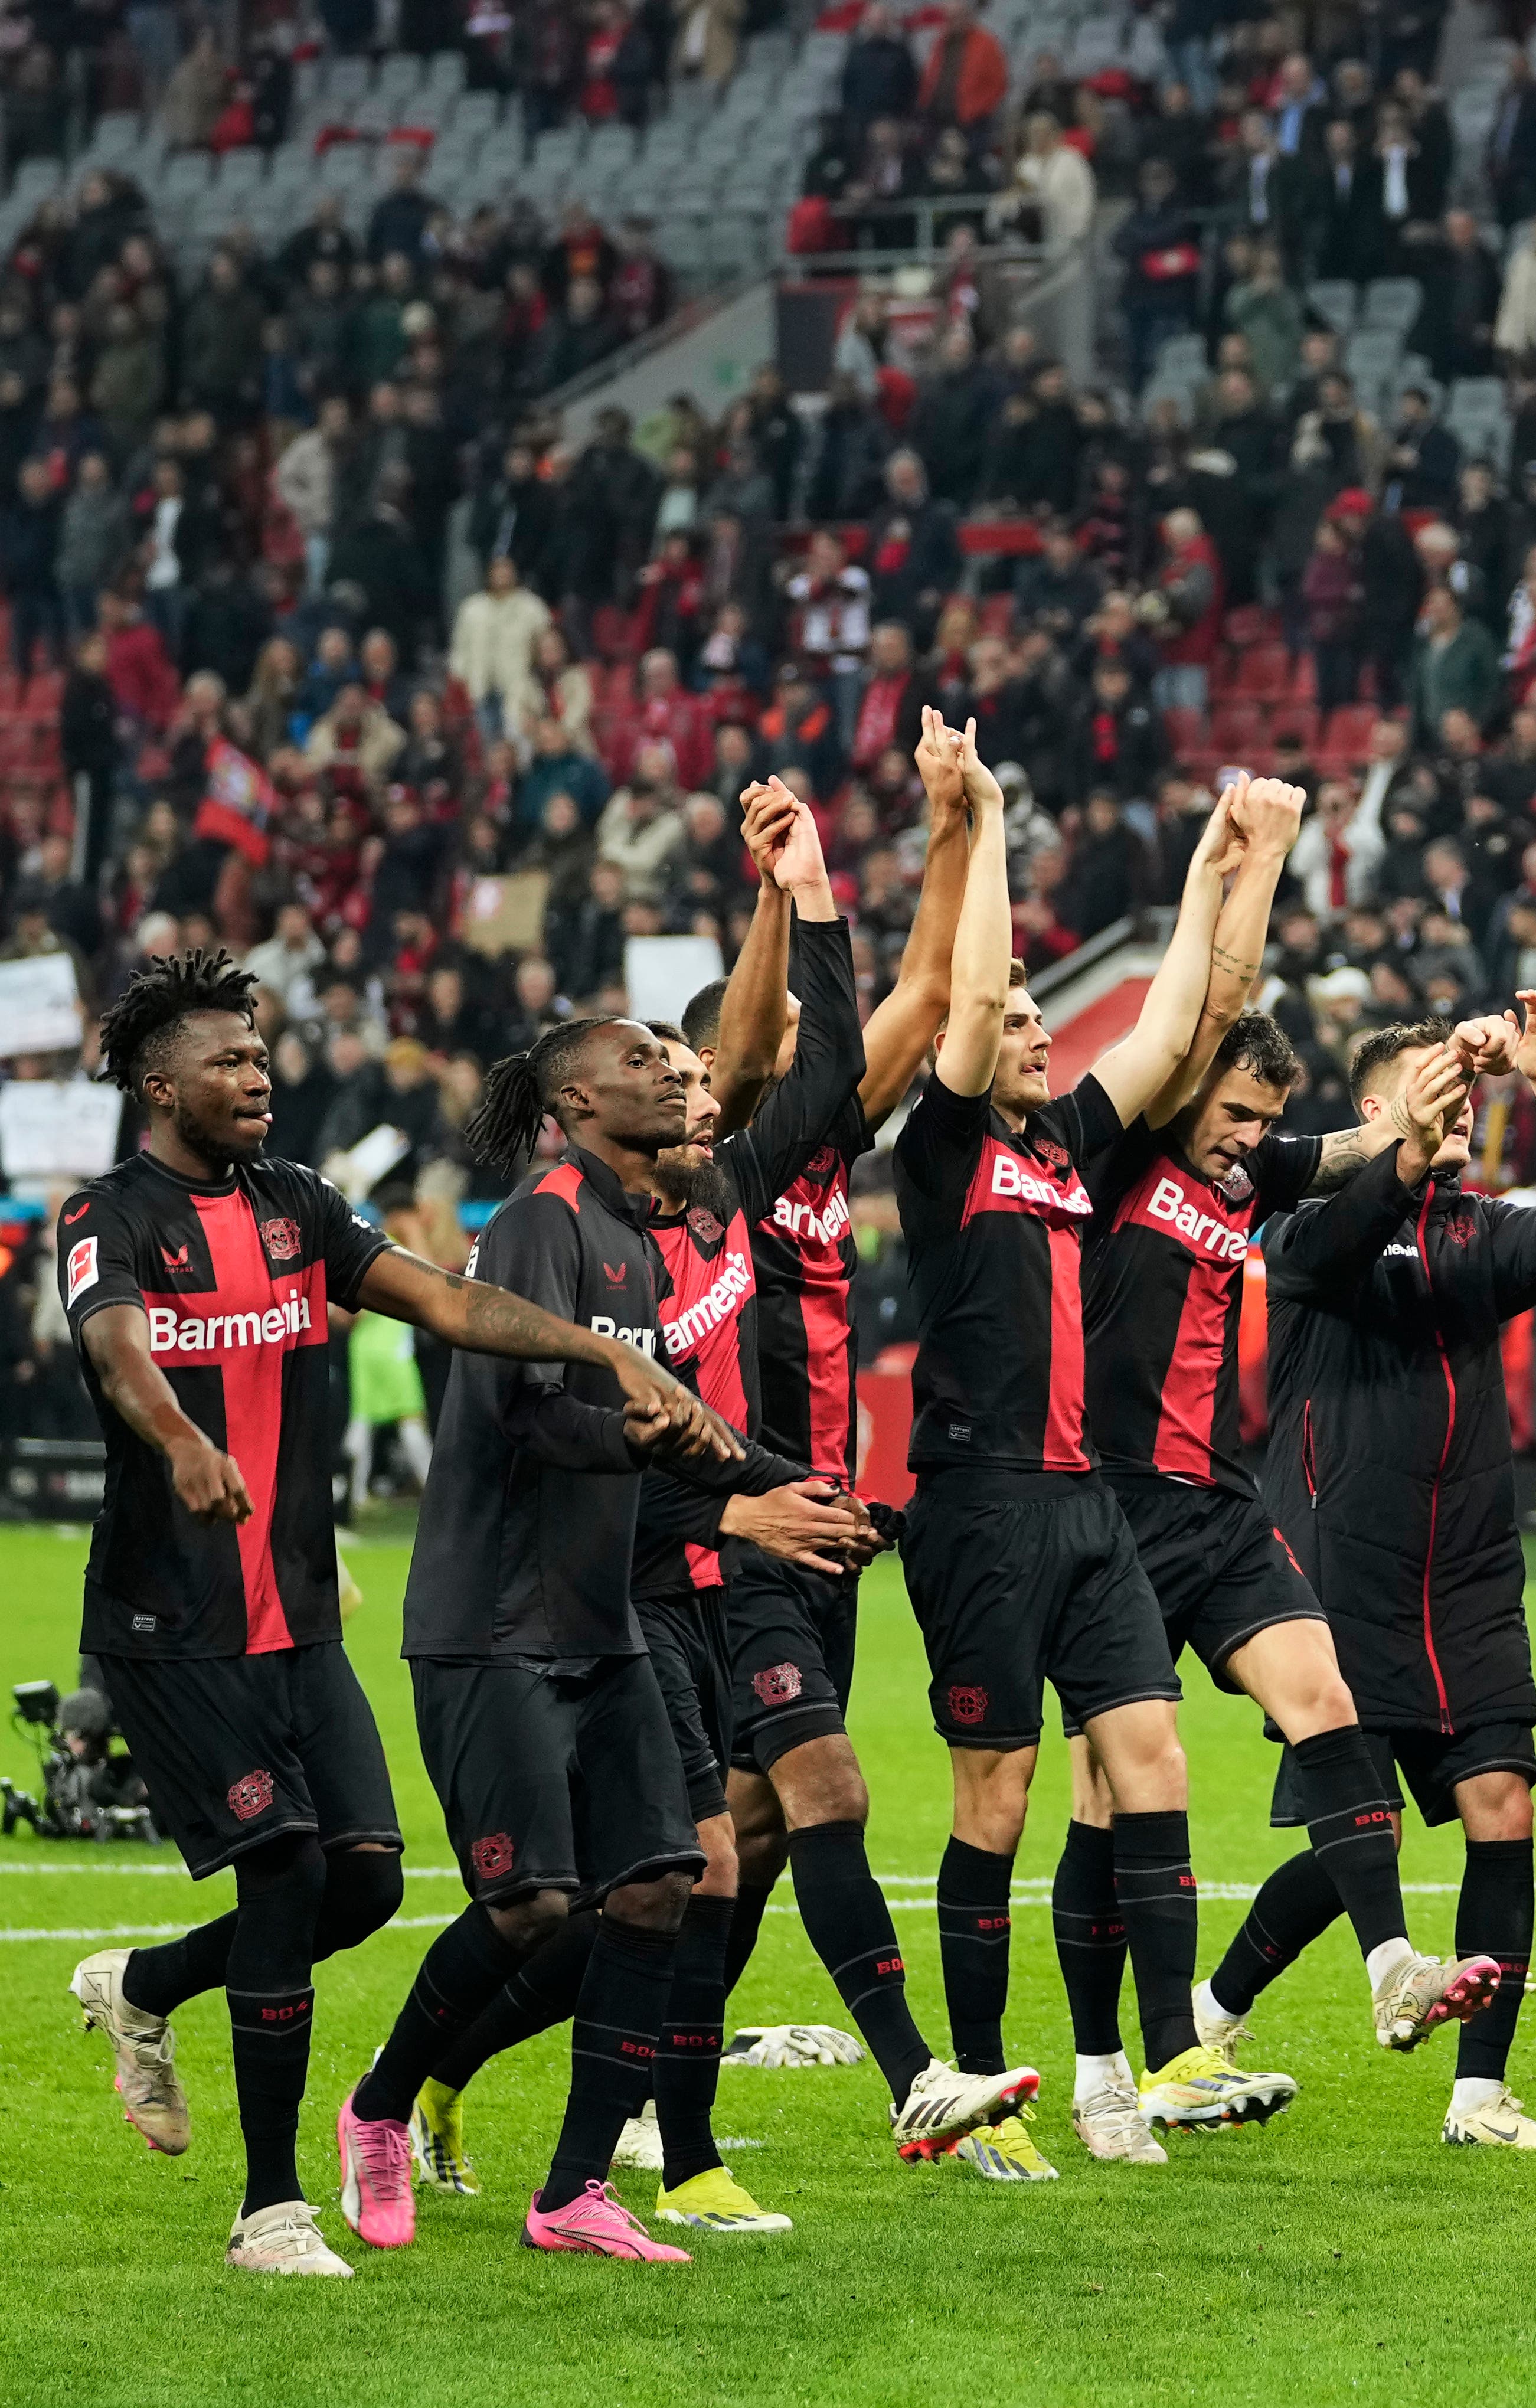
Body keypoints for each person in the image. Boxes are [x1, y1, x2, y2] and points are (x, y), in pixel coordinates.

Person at [53, 953, 727, 2275]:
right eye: (229, 1060)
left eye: (260, 1055)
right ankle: (270, 2206)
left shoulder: (302, 1205)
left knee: (361, 1882)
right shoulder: (112, 1210)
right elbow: (116, 1340)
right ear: (157, 1082)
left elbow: (450, 1298)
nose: (258, 1075)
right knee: (290, 1869)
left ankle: (144, 1986)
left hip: (299, 1612)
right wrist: (184, 1441)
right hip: (167, 1620)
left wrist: (606, 1348)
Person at [394, 789, 880, 2237]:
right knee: (633, 1882)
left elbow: (826, 1056)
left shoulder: (718, 1195)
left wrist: (806, 890)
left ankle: (555, 2142)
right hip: (601, 1585)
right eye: (658, 1064)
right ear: (586, 1105)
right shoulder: (551, 1222)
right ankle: (487, 2107)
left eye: (691, 1066)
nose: (694, 1081)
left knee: (680, 1876)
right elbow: (554, 1425)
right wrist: (734, 1509)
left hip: (684, 1567)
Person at [887, 733, 1288, 2178]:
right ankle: (980, 2088)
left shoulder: (1059, 1146)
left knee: (1154, 1755)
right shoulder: (940, 1150)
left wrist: (1206, 873)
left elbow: (1177, 1028)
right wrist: (985, 819)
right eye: (1019, 1020)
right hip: (977, 1507)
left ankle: (1173, 2047)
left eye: (1049, 1018)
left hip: (1085, 1505)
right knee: (993, 1800)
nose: (1039, 1029)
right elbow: (973, 983)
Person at [675, 715, 987, 2128]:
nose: (824, 1060)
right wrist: (795, 900)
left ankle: (605, 2078)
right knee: (826, 1792)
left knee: (743, 1830)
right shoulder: (716, 1164)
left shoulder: (819, 1141)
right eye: (792, 1040)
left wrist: (945, 822)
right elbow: (828, 1024)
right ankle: (916, 2074)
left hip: (829, 1525)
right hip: (743, 1527)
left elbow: (921, 997)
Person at [1256, 1001, 1536, 2147]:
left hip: (1466, 1568)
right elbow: (1321, 1258)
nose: (1457, 1096)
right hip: (1342, 1565)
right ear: (1371, 1111)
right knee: (1360, 1836)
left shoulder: (1475, 1227)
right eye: (1425, 1083)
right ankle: (1212, 2011)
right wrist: (1401, 1155)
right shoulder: (1306, 1218)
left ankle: (1480, 2095)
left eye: (1462, 1087)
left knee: (1502, 1803)